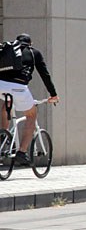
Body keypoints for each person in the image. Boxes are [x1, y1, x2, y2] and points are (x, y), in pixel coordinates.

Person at [0, 34, 60, 164]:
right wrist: (53, 94)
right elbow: (45, 74)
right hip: (19, 87)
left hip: (1, 85)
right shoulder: (34, 53)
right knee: (31, 115)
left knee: (7, 105)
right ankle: (22, 152)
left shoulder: (7, 49)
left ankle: (3, 135)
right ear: (30, 43)